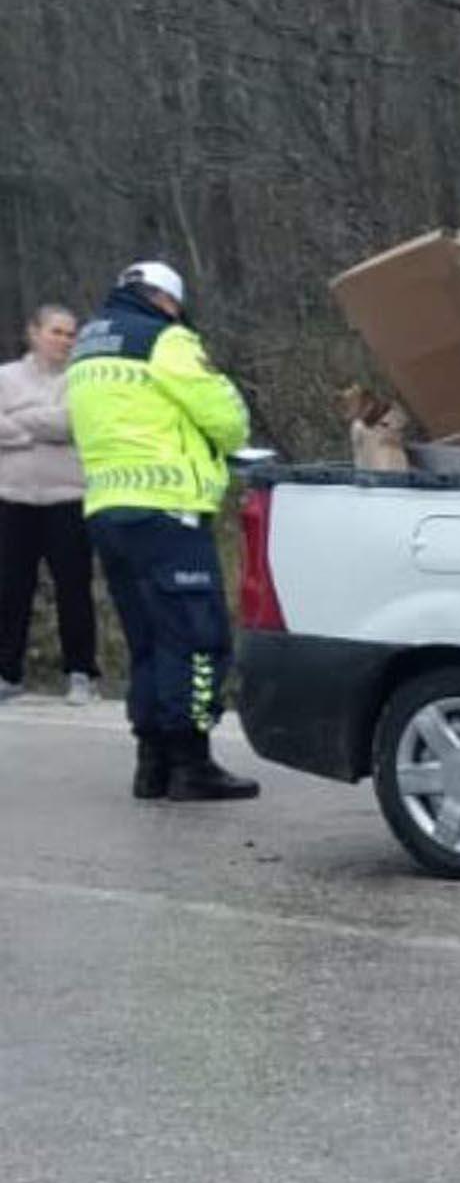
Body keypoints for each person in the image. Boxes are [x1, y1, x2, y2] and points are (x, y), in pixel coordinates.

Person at [67, 262, 260, 802]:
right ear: (166, 300)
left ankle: (151, 763)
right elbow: (225, 418)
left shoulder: (86, 349)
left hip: (107, 509)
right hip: (168, 509)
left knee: (148, 641)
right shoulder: (165, 339)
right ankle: (191, 763)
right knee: (197, 639)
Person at [0, 305, 100, 704]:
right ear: (34, 333)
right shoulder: (6, 377)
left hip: (68, 498)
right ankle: (7, 672)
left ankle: (81, 672)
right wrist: (43, 426)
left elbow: (76, 424)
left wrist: (19, 421)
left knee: (74, 588)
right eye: (56, 332)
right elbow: (54, 425)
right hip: (12, 497)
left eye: (71, 334)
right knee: (10, 588)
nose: (64, 340)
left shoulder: (84, 379)